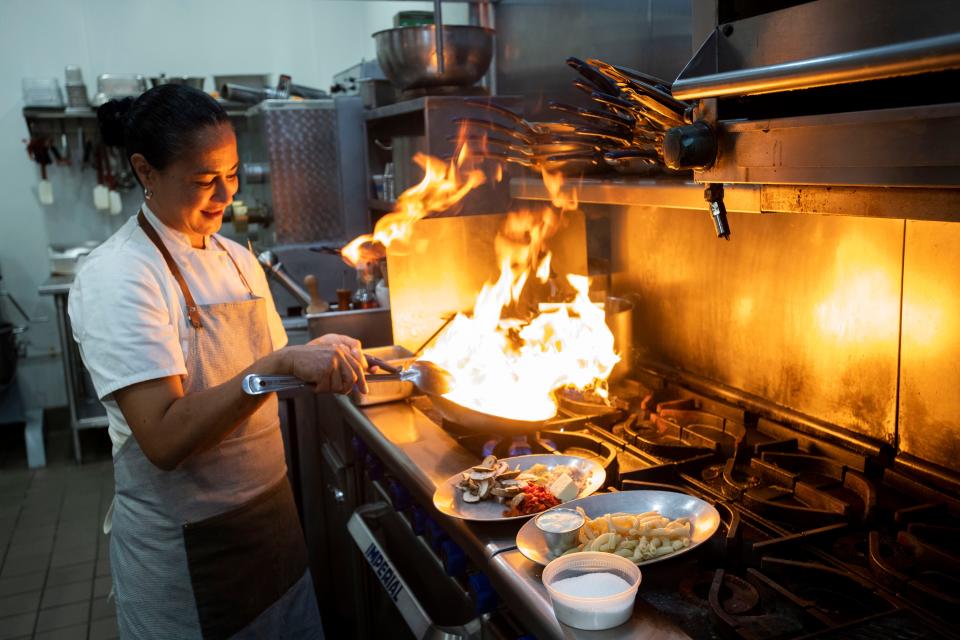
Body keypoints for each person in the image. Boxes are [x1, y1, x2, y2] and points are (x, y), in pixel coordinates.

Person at [69, 84, 365, 639]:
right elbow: (164, 438)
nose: (225, 193)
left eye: (231, 173)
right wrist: (273, 367)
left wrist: (316, 360)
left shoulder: (237, 259)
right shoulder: (120, 276)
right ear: (146, 172)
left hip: (272, 524)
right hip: (187, 549)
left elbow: (278, 369)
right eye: (205, 179)